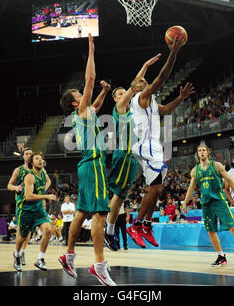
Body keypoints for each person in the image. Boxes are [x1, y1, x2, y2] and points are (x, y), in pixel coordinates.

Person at [127, 36, 194, 249]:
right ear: (136, 89)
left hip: (153, 146)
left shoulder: (151, 102)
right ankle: (136, 225)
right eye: (142, 83)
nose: (145, 83)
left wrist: (180, 98)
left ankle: (146, 225)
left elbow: (165, 110)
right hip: (145, 145)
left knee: (157, 190)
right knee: (155, 188)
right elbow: (161, 78)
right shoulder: (140, 98)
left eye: (145, 82)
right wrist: (174, 52)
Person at [58, 34, 115, 286]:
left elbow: (95, 105)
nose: (84, 93)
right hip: (94, 163)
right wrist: (91, 51)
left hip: (84, 165)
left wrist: (103, 92)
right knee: (101, 213)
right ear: (74, 101)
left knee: (81, 212)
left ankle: (69, 255)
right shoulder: (80, 110)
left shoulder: (84, 113)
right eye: (79, 93)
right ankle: (99, 264)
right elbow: (90, 77)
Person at [104, 54, 162, 251]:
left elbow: (137, 90)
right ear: (115, 99)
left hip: (135, 155)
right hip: (123, 153)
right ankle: (109, 230)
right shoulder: (119, 108)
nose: (124, 96)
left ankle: (143, 226)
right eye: (120, 94)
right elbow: (134, 87)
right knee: (119, 195)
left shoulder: (134, 110)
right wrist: (144, 66)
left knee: (138, 191)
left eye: (124, 93)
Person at [182, 144, 234, 268]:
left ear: (207, 152)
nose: (202, 152)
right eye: (199, 150)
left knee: (233, 228)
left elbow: (231, 180)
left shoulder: (216, 165)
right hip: (206, 204)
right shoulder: (195, 170)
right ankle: (221, 256)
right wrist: (185, 202)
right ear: (197, 154)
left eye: (204, 150)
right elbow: (191, 188)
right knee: (211, 231)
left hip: (219, 201)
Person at [13, 151, 56, 271]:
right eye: (37, 159)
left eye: (41, 159)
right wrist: (45, 196)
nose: (40, 160)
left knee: (48, 229)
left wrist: (42, 193)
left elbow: (47, 182)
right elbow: (29, 197)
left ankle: (40, 259)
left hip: (38, 209)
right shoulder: (29, 176)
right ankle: (17, 255)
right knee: (22, 237)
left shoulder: (43, 173)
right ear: (32, 163)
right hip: (25, 210)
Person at [7, 147, 33, 266]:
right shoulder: (18, 170)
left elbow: (46, 181)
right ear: (23, 156)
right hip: (22, 204)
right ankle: (17, 253)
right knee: (21, 231)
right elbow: (9, 185)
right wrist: (16, 187)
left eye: (30, 154)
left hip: (34, 203)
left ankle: (22, 252)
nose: (28, 155)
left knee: (28, 233)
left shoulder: (38, 170)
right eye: (26, 153)